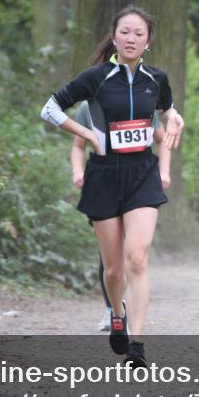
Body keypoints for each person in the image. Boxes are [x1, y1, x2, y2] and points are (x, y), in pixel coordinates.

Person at [41, 5, 183, 368]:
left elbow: (165, 109)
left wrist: (174, 116)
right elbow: (50, 109)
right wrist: (88, 134)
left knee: (138, 258)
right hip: (104, 175)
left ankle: (137, 345)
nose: (131, 38)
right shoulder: (96, 77)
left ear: (148, 41)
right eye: (125, 32)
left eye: (139, 33)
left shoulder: (157, 78)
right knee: (114, 269)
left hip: (142, 174)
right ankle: (116, 314)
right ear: (115, 37)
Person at [70, 99, 172, 331]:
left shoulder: (141, 102)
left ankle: (136, 338)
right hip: (104, 183)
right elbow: (78, 145)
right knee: (112, 262)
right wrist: (77, 171)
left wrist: (164, 171)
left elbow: (161, 139)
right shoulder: (89, 107)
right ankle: (113, 311)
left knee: (135, 256)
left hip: (138, 181)